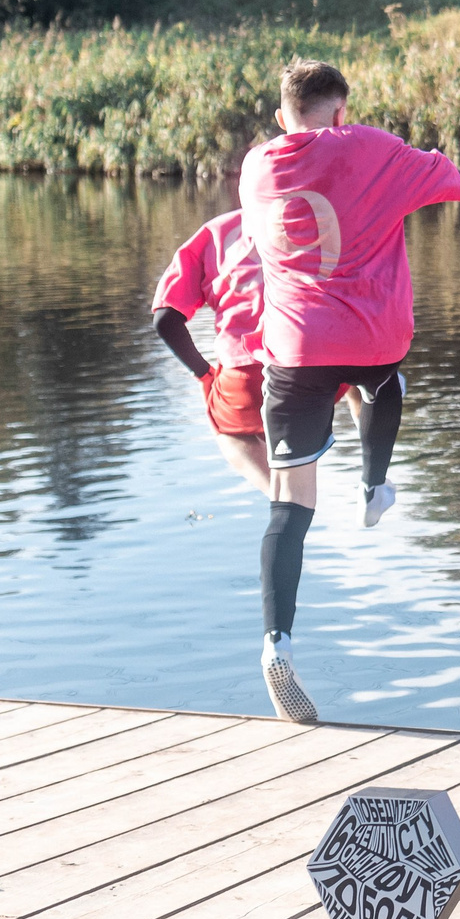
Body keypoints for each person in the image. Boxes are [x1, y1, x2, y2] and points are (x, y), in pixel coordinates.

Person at [239, 58, 460, 722]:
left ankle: (276, 641)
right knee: (385, 381)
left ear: (283, 117)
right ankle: (374, 486)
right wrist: (388, 155)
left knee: (289, 506)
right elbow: (450, 182)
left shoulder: (257, 166)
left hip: (294, 350)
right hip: (370, 339)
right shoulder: (368, 146)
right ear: (342, 112)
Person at [150, 211, 365, 727]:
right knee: (368, 373)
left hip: (241, 379)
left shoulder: (216, 232)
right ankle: (372, 473)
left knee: (229, 434)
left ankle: (276, 493)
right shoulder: (324, 218)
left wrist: (204, 373)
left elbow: (164, 317)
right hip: (310, 368)